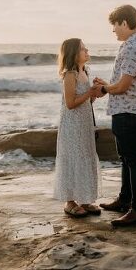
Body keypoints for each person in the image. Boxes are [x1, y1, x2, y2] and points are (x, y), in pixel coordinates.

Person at [94, 5, 136, 227]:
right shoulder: (132, 44)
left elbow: (122, 86)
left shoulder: (133, 47)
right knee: (126, 158)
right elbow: (120, 84)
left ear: (124, 23)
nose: (113, 30)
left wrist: (105, 88)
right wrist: (108, 86)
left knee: (133, 159)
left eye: (115, 25)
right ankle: (125, 200)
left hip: (128, 110)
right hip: (125, 109)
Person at [53, 38, 104, 217]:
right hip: (72, 123)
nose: (87, 50)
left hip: (84, 122)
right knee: (73, 157)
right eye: (83, 49)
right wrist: (89, 92)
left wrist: (95, 93)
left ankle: (84, 198)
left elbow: (86, 101)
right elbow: (70, 103)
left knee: (85, 155)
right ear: (74, 54)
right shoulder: (70, 74)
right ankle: (70, 202)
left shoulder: (85, 71)